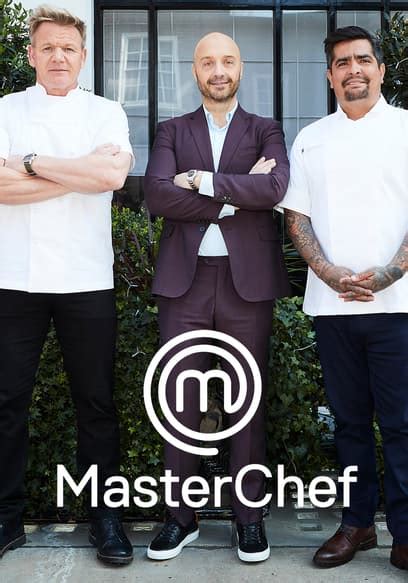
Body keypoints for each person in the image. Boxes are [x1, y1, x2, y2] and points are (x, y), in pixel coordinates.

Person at [144, 32, 290, 562]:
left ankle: (248, 519)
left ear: (241, 68)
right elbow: (157, 194)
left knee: (245, 403)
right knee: (179, 402)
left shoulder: (266, 129)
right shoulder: (171, 130)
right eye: (208, 62)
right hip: (183, 284)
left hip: (246, 285)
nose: (218, 70)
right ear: (195, 71)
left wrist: (202, 180)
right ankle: (179, 518)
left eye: (227, 60)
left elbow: (274, 189)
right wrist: (233, 195)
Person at [0, 5, 134, 565]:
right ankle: (6, 516)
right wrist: (77, 172)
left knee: (96, 402)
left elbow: (111, 175)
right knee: (6, 401)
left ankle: (105, 516)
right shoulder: (6, 109)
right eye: (48, 47)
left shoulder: (106, 112)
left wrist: (28, 163)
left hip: (86, 278)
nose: (59, 56)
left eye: (68, 48)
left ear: (83, 57)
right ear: (32, 54)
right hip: (13, 277)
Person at [280, 26, 408, 571]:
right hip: (332, 308)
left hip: (399, 307)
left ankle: (405, 532)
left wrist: (388, 274)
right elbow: (297, 215)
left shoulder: (406, 129)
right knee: (349, 423)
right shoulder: (312, 138)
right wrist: (330, 272)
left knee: (402, 424)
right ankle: (357, 524)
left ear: (381, 68)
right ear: (330, 76)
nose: (353, 69)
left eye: (362, 59)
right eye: (341, 63)